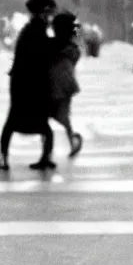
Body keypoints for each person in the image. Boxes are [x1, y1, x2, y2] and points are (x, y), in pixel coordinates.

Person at [0, 0, 58, 171]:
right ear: (41, 13)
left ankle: (6, 157)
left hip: (25, 84)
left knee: (16, 122)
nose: (50, 18)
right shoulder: (35, 31)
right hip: (28, 86)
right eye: (48, 14)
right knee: (38, 126)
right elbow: (45, 54)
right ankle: (42, 157)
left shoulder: (32, 30)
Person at [48, 11, 84, 158]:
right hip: (64, 85)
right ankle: (71, 141)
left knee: (54, 114)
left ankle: (50, 147)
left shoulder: (55, 46)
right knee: (61, 116)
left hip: (56, 85)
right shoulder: (72, 49)